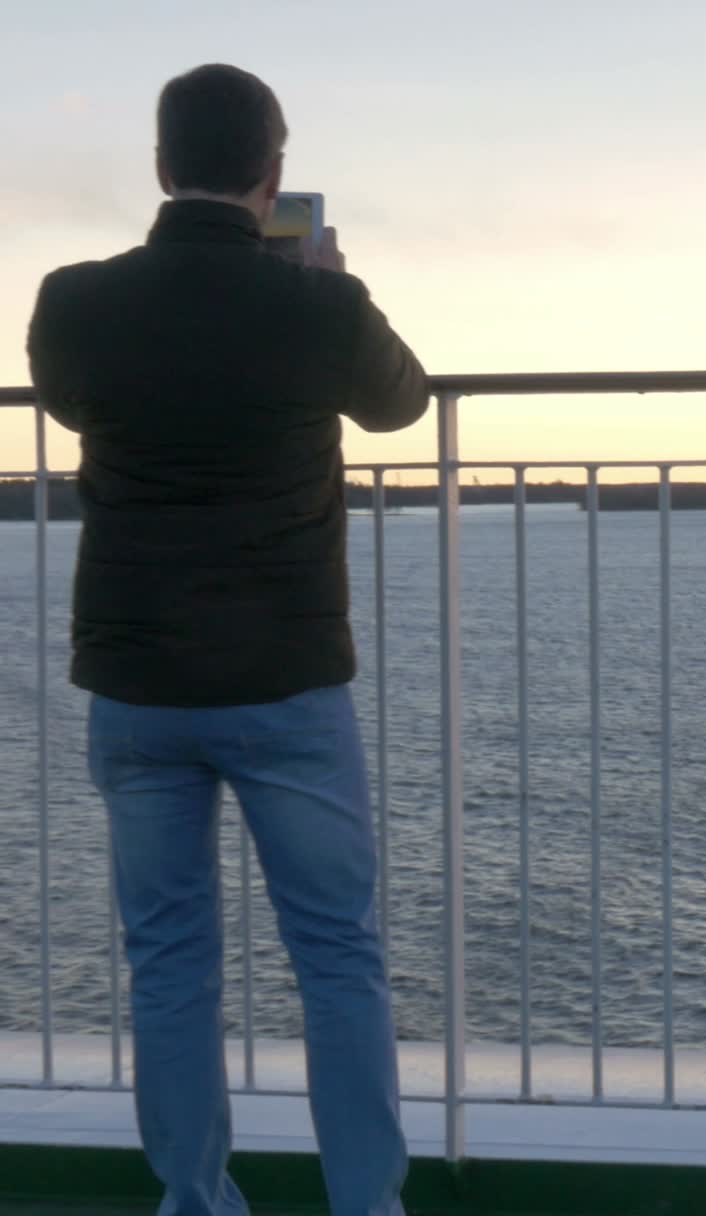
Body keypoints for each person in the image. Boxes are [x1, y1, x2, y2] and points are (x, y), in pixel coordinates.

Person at [27, 64, 429, 1216]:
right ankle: (366, 1203)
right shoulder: (313, 307)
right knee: (336, 956)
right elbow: (402, 401)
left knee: (169, 958)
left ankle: (193, 1199)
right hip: (286, 683)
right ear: (276, 175)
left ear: (161, 167)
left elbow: (66, 393)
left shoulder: (74, 302)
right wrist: (332, 284)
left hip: (140, 686)